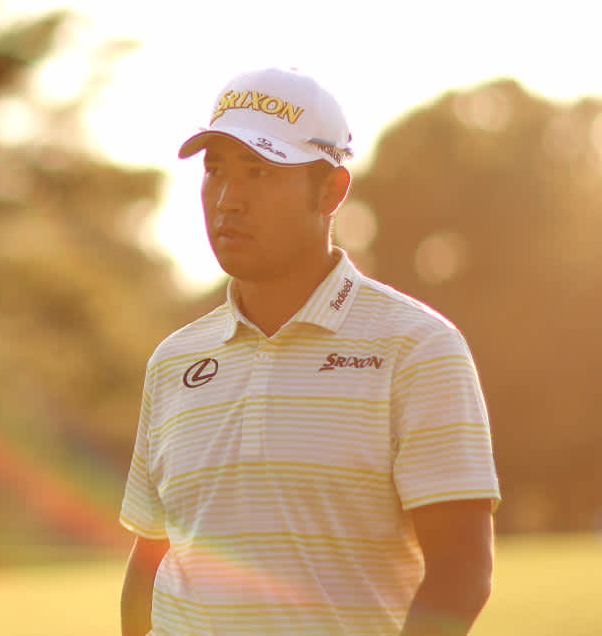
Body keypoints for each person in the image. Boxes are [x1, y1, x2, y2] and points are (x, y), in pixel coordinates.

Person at [119, 67, 500, 635]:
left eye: (259, 172)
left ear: (331, 190)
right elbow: (151, 560)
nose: (227, 200)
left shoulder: (418, 349)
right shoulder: (174, 361)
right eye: (215, 170)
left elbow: (462, 571)